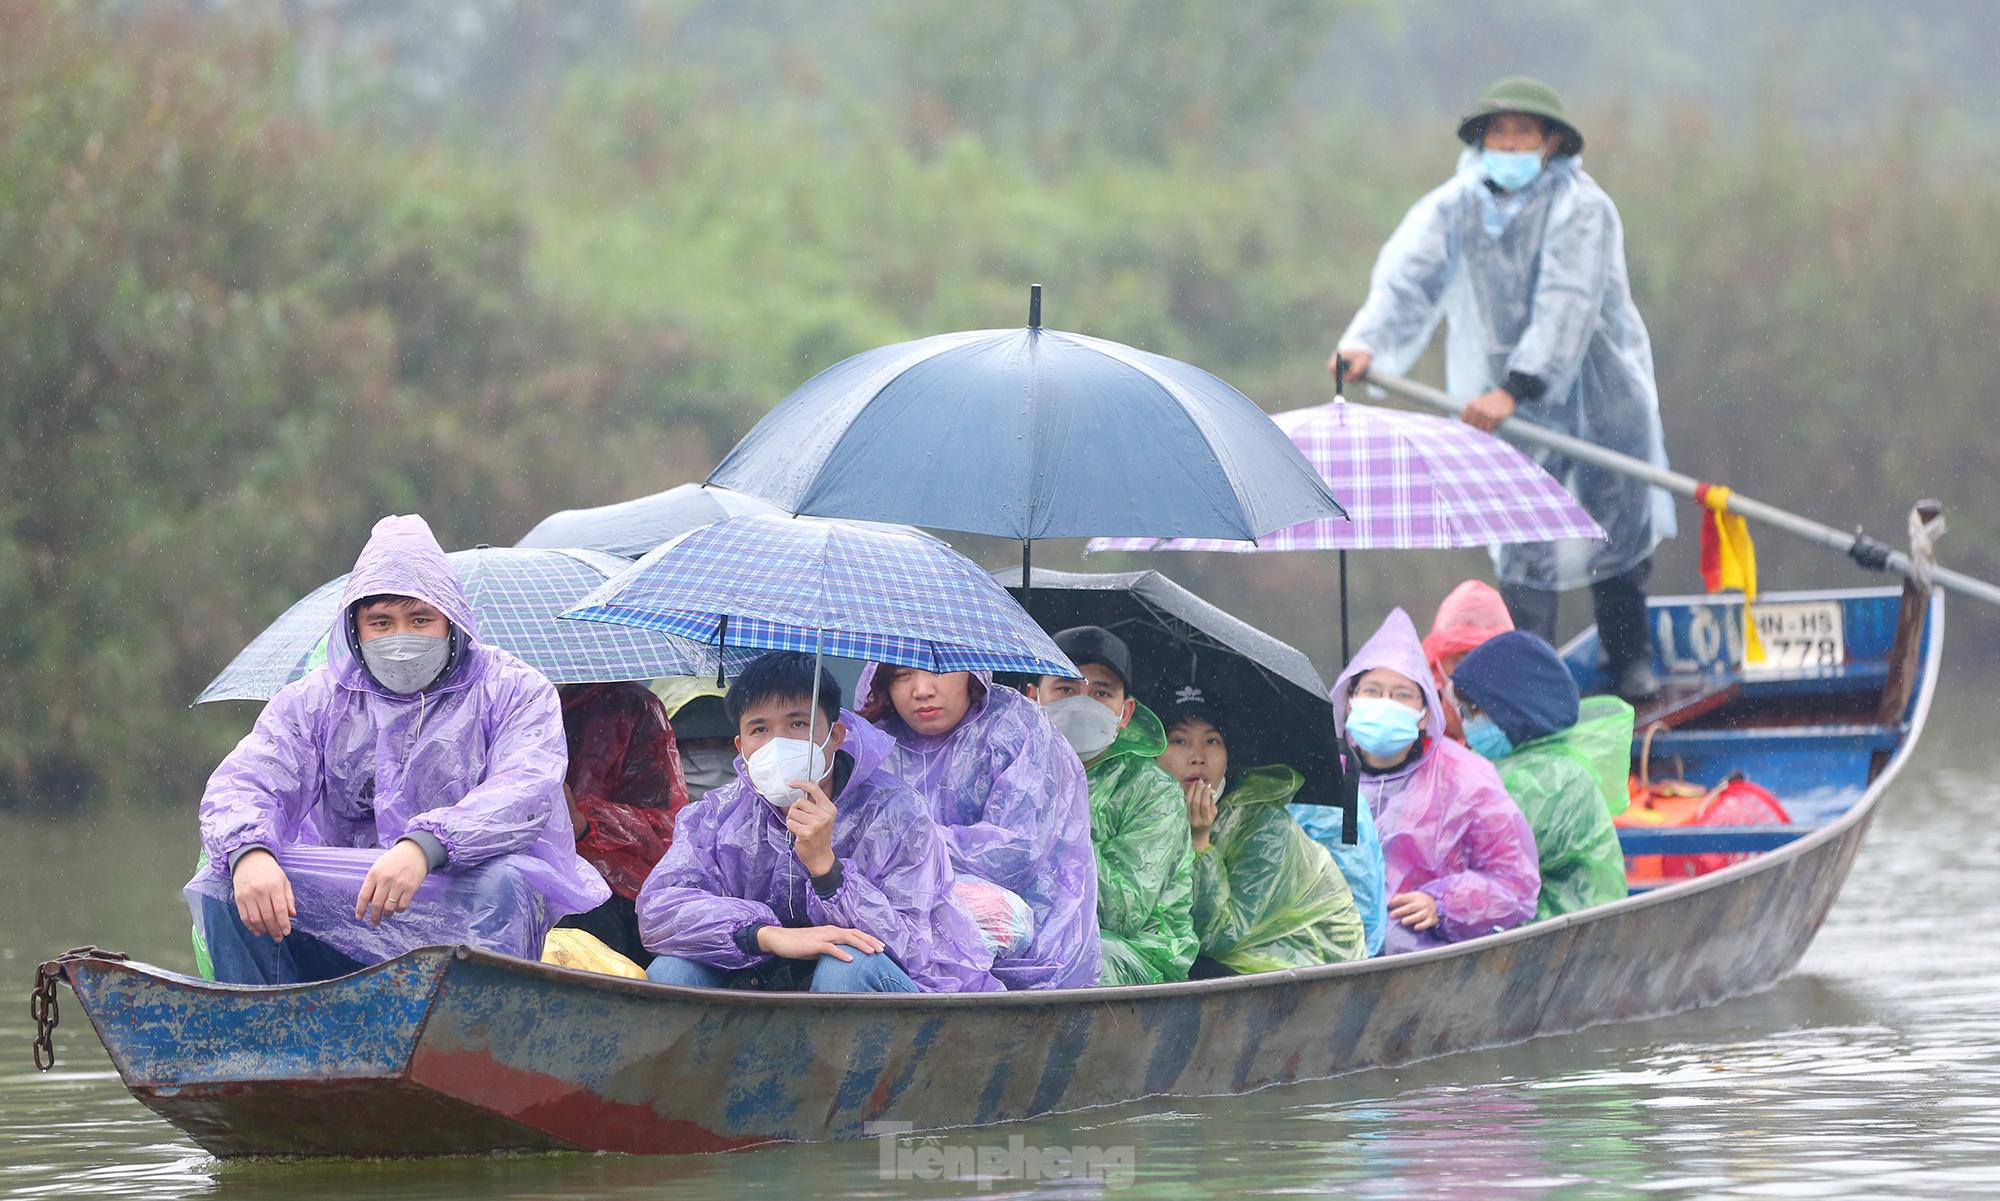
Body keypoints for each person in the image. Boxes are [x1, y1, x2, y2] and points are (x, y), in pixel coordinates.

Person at [1332, 75, 1675, 702]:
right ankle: (1531, 686)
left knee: (1616, 527)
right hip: (1509, 407)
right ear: (1482, 139)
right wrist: (1367, 341)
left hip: (1596, 390)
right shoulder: (1455, 207)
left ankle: (1629, 666)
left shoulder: (1583, 207)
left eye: (1525, 132)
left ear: (1550, 143)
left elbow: (1566, 304)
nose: (1511, 143)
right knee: (1524, 536)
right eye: (1500, 131)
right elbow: (1408, 283)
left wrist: (1518, 386)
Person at [187, 514, 609, 985]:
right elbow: (246, 780)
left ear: (452, 621)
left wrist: (426, 847)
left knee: (505, 883)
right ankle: (266, 1033)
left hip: (462, 891)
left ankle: (475, 1034)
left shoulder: (515, 691)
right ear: (356, 629)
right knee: (228, 882)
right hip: (346, 900)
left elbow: (524, 792)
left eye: (420, 619)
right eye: (381, 622)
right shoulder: (315, 700)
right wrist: (249, 853)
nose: (400, 638)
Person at [637, 652, 999, 993]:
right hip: (761, 981)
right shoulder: (718, 814)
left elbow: (908, 946)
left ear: (835, 736)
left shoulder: (895, 814)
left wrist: (827, 872)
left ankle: (830, 1062)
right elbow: (659, 912)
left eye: (798, 723)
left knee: (846, 965)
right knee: (671, 972)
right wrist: (764, 934)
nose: (778, 743)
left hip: (883, 993)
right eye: (759, 729)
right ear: (741, 746)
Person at [859, 663, 1100, 989]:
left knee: (998, 914)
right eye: (903, 676)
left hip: (1030, 941)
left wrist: (910, 844)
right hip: (901, 936)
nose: (922, 690)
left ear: (970, 673)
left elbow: (1014, 853)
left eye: (937, 671)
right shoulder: (871, 743)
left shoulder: (1015, 726)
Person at [1334, 609, 1541, 955]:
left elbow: (1516, 883)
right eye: (1371, 691)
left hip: (1430, 964)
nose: (1385, 704)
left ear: (1425, 712)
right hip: (1330, 961)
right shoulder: (1322, 774)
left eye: (1402, 695)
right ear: (1350, 702)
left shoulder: (1467, 779)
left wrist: (1444, 904)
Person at [1028, 626, 1197, 986]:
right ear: (1033, 698)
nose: (1082, 702)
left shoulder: (1153, 792)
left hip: (1133, 953)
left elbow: (1121, 912)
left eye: (1101, 692)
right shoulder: (1009, 769)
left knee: (1081, 958)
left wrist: (1062, 812)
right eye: (1065, 688)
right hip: (1028, 934)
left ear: (1125, 712)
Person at [1157, 692, 1367, 976]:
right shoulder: (1152, 811)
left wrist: (1200, 842)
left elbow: (1216, 937)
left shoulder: (1264, 825)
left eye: (1212, 741)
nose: (1198, 757)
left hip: (1302, 965)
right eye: (1179, 740)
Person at [1450, 631, 1631, 920]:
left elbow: (1486, 859)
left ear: (1511, 710)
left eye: (1474, 711)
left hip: (1567, 939)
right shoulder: (1525, 764)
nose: (1468, 723)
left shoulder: (1552, 780)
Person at [554, 681, 690, 965]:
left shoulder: (628, 707)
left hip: (604, 900)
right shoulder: (490, 703)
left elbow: (663, 833)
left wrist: (585, 825)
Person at [1423, 579, 1516, 743]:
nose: (1473, 673)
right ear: (1438, 664)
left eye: (1487, 662)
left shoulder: (1528, 726)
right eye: (1461, 661)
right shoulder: (1418, 732)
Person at [655, 677, 735, 805]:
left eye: (724, 742)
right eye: (696, 742)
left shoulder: (765, 814)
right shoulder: (639, 817)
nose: (714, 760)